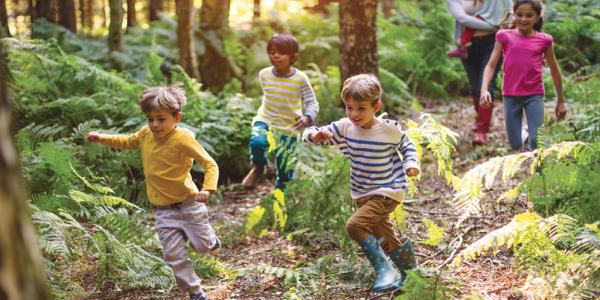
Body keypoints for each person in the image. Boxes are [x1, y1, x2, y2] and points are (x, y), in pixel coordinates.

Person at [87, 85, 220, 300]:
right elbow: (127, 141)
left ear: (177, 117)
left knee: (203, 248)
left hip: (189, 204)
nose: (154, 124)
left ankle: (211, 241)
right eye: (150, 119)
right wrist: (102, 138)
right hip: (164, 211)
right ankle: (196, 292)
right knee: (173, 256)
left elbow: (209, 163)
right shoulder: (145, 135)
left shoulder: (183, 138)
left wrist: (207, 189)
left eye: (161, 119)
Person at [302, 74, 420, 292]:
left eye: (361, 108)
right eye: (349, 107)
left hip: (388, 190)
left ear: (376, 106)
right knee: (384, 236)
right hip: (362, 192)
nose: (354, 114)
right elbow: (308, 133)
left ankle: (384, 269)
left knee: (355, 225)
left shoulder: (387, 130)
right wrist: (317, 135)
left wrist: (411, 164)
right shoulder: (345, 127)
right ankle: (411, 275)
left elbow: (407, 145)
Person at [480, 0, 567, 151]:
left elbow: (555, 71)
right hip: (510, 95)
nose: (524, 19)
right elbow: (491, 65)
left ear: (537, 17)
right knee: (515, 143)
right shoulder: (504, 37)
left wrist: (561, 101)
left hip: (534, 94)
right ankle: (525, 134)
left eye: (529, 15)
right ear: (514, 15)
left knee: (536, 140)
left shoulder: (544, 40)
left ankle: (538, 174)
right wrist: (484, 89)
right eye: (519, 15)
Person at [241, 32, 319, 189]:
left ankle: (281, 199)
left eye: (281, 52)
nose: (275, 56)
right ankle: (258, 168)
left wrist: (307, 118)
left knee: (284, 169)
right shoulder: (264, 74)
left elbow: (312, 102)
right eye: (272, 52)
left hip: (289, 127)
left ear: (292, 56)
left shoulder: (300, 79)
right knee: (257, 142)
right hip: (265, 118)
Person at [447, 0, 511, 145]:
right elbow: (462, 18)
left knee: (485, 84)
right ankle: (481, 119)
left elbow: (507, 13)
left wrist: (503, 29)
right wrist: (492, 27)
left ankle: (482, 130)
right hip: (467, 46)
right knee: (475, 85)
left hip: (492, 43)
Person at [447, 0, 513, 59]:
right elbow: (461, 19)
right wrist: (493, 28)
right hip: (471, 45)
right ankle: (461, 46)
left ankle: (461, 45)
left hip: (492, 39)